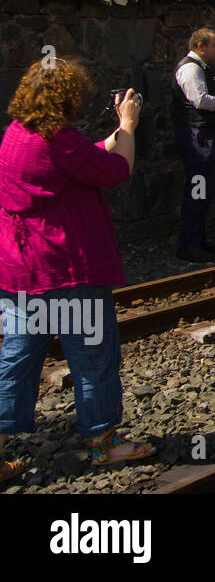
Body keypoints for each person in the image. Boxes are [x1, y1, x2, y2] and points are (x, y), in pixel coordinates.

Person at [0, 58, 155, 481]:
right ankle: (104, 442)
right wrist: (127, 126)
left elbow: (78, 160)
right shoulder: (57, 140)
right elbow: (116, 170)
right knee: (92, 357)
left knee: (16, 359)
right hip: (68, 270)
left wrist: (108, 139)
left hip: (20, 271)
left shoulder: (16, 133)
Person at [173, 27, 215, 261]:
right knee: (197, 190)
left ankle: (198, 238)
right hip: (198, 139)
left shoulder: (201, 68)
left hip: (204, 137)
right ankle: (189, 243)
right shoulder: (191, 69)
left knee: (203, 190)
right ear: (200, 46)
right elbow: (200, 100)